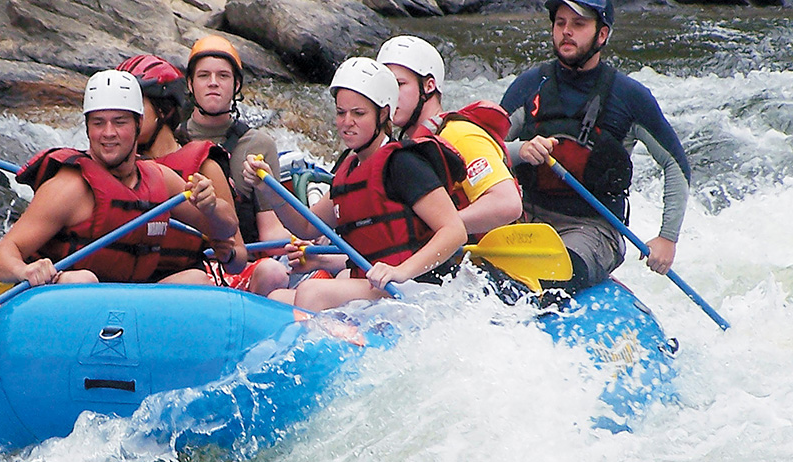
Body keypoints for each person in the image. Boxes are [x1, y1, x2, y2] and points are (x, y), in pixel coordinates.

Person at [243, 57, 467, 311]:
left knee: (312, 292)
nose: (346, 122)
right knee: (277, 301)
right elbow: (307, 226)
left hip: (418, 286)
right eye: (341, 113)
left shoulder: (403, 163)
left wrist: (401, 271)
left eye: (358, 113)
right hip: (378, 286)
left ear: (383, 114)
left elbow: (454, 230)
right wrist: (269, 189)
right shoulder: (349, 170)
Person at [500, 0, 692, 292]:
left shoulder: (629, 96)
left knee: (552, 278)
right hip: (527, 215)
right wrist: (520, 150)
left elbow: (675, 165)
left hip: (593, 227)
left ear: (602, 34)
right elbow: (484, 148)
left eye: (578, 24)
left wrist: (667, 238)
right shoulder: (529, 85)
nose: (566, 31)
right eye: (560, 23)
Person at [0, 70, 238, 287]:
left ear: (138, 124)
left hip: (127, 303)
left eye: (119, 122)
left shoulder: (159, 178)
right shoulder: (69, 188)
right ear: (87, 127)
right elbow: (0, 255)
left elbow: (227, 229)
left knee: (195, 279)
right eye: (98, 123)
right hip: (68, 300)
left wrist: (212, 206)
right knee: (82, 280)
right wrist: (25, 271)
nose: (108, 133)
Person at [115, 54, 249, 283]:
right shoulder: (114, 166)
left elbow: (239, 259)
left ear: (163, 110)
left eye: (134, 109)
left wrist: (228, 254)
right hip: (124, 281)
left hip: (182, 280)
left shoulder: (203, 166)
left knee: (195, 279)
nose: (123, 119)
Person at [377, 35, 523, 239]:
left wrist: (436, 228)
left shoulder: (458, 135)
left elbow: (507, 203)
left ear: (429, 86)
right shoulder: (398, 148)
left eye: (399, 84)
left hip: (482, 263)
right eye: (384, 87)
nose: (389, 96)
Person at [182, 35, 294, 294]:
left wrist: (300, 242)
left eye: (223, 76)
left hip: (240, 265)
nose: (213, 83)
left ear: (236, 85)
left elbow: (270, 229)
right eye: (203, 76)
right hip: (190, 269)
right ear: (189, 84)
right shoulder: (170, 141)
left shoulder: (259, 145)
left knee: (273, 272)